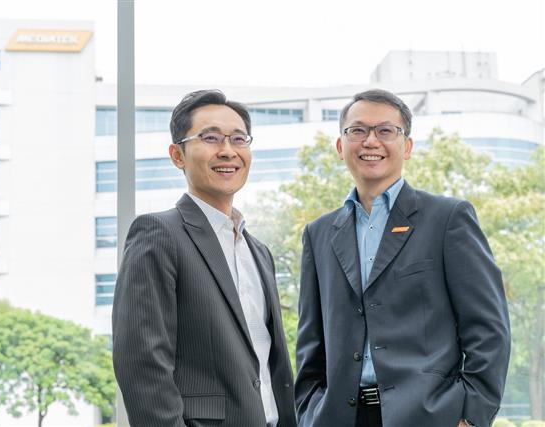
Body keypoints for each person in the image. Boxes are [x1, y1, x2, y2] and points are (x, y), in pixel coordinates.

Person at [294, 89, 510, 427]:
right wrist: (309, 412)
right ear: (340, 146)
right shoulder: (318, 233)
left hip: (430, 416)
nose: (370, 141)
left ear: (406, 146)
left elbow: (489, 329)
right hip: (339, 418)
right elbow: (311, 344)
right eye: (358, 130)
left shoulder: (447, 218)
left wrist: (471, 417)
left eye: (385, 130)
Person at [112, 89, 297, 427]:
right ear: (177, 155)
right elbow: (143, 363)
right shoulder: (159, 233)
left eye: (238, 139)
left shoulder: (259, 252)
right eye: (210, 138)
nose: (227, 150)